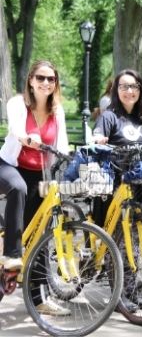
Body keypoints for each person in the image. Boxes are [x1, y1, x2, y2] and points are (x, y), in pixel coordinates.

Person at [0, 60, 70, 315]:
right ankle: (11, 255)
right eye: (40, 78)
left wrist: (69, 154)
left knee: (40, 233)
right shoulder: (18, 103)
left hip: (38, 174)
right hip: (9, 167)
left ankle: (40, 299)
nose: (46, 83)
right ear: (30, 80)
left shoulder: (57, 110)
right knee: (17, 188)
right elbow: (17, 129)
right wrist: (28, 138)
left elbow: (61, 143)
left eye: (51, 79)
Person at [91, 69, 142, 311]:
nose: (129, 91)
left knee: (135, 242)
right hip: (118, 186)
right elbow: (98, 134)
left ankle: (130, 290)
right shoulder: (110, 117)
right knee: (118, 241)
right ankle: (119, 295)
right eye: (124, 86)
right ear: (116, 91)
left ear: (140, 90)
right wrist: (98, 139)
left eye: (134, 86)